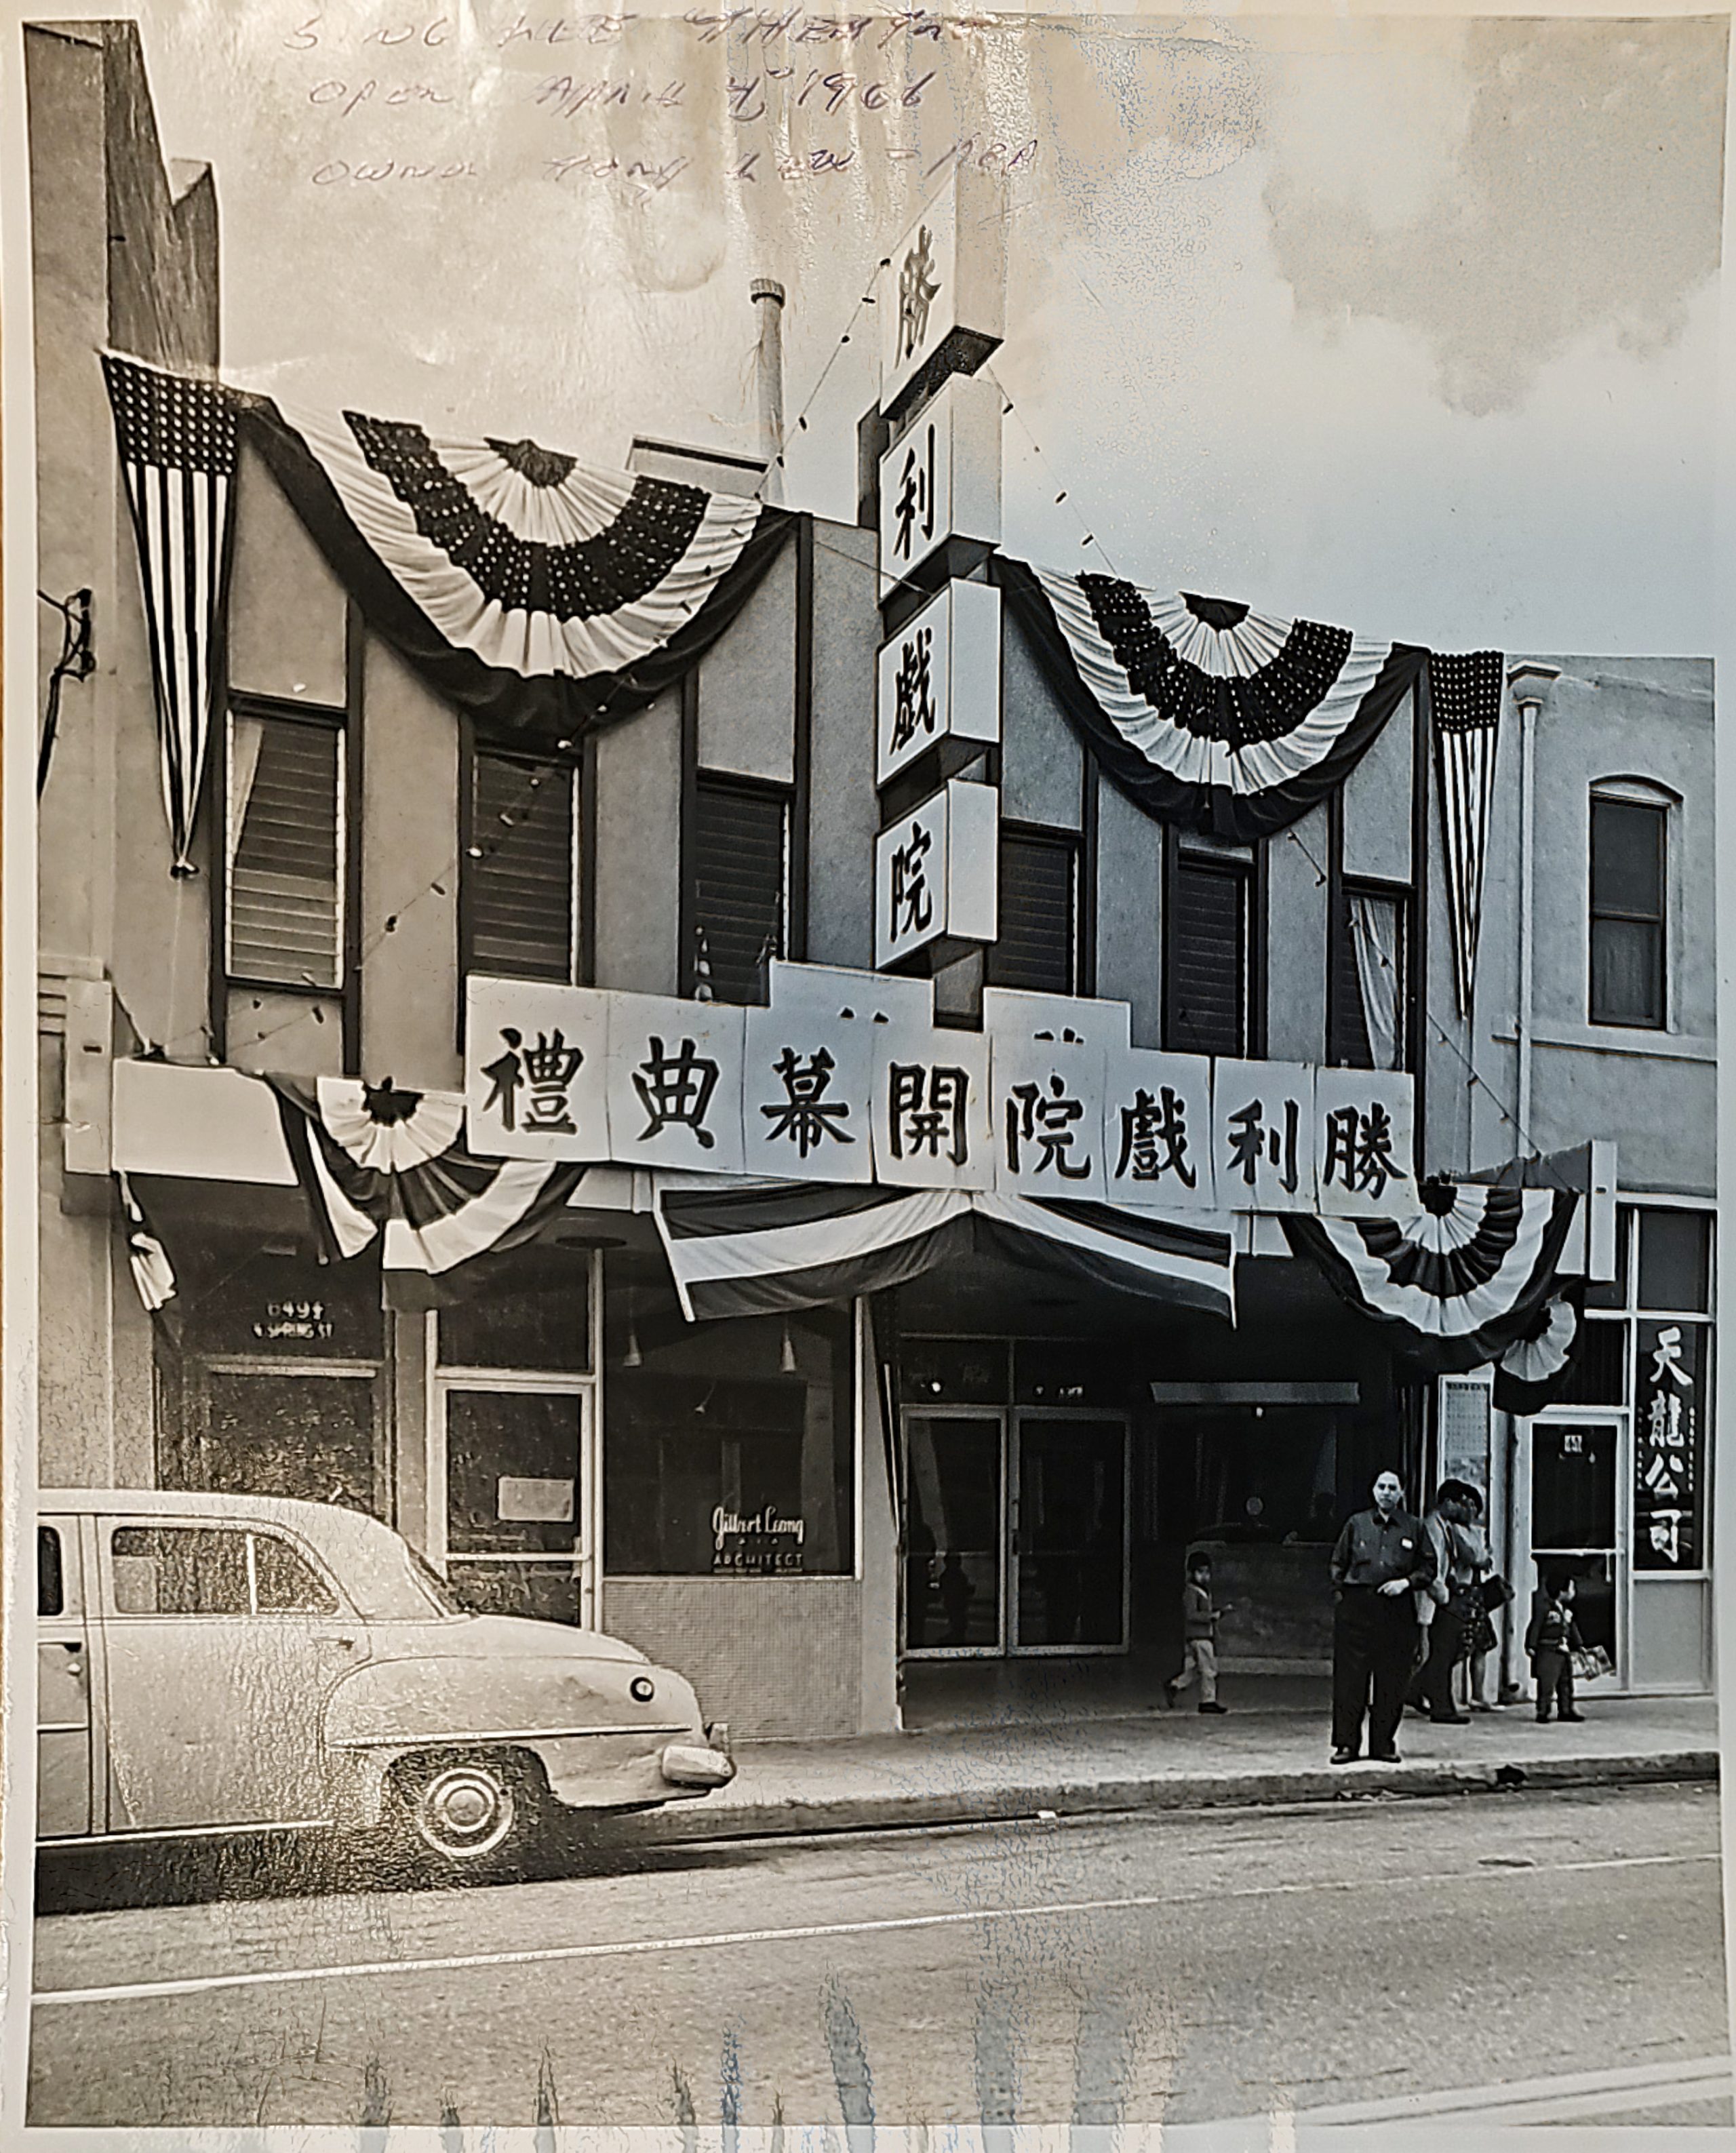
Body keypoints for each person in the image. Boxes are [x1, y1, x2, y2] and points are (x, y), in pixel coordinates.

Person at [1328, 1469, 1437, 1763]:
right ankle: (1347, 1744)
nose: (1386, 1492)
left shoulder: (1414, 1527)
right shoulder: (1357, 1524)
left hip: (1396, 1610)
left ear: (1401, 1493)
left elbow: (1429, 1567)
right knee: (1351, 1681)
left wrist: (1406, 1583)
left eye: (1392, 1488)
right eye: (1382, 1487)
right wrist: (1344, 1595)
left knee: (1392, 1679)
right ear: (1374, 1491)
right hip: (1358, 1608)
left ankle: (1383, 1744)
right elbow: (1338, 1563)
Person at [1407, 1480, 1479, 1724]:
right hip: (1435, 1596)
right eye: (1460, 1503)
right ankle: (1441, 1706)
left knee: (1443, 1652)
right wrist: (1445, 1596)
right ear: (1448, 1502)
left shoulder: (1444, 1526)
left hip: (1443, 1593)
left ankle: (1416, 1690)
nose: (1462, 1509)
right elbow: (1433, 1565)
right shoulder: (1432, 1527)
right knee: (1442, 1654)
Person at [1164, 1551, 1231, 1714]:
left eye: (1207, 1572)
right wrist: (1211, 1616)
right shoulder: (1192, 1592)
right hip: (1199, 1636)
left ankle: (1175, 1685)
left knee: (1196, 1669)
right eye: (1200, 1572)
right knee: (1209, 1669)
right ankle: (1208, 1701)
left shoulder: (1203, 1591)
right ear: (1191, 1572)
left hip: (1202, 1636)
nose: (1204, 1576)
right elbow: (1192, 1614)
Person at [1525, 1569, 1586, 1724]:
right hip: (1548, 1649)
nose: (1573, 1592)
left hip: (1563, 1649)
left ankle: (1566, 1709)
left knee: (1566, 1682)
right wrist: (1531, 1645)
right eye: (1571, 1588)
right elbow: (1536, 1626)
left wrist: (1578, 1645)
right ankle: (1543, 1710)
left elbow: (1573, 1629)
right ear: (1562, 1591)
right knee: (1547, 1682)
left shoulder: (1567, 1611)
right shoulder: (1545, 1608)